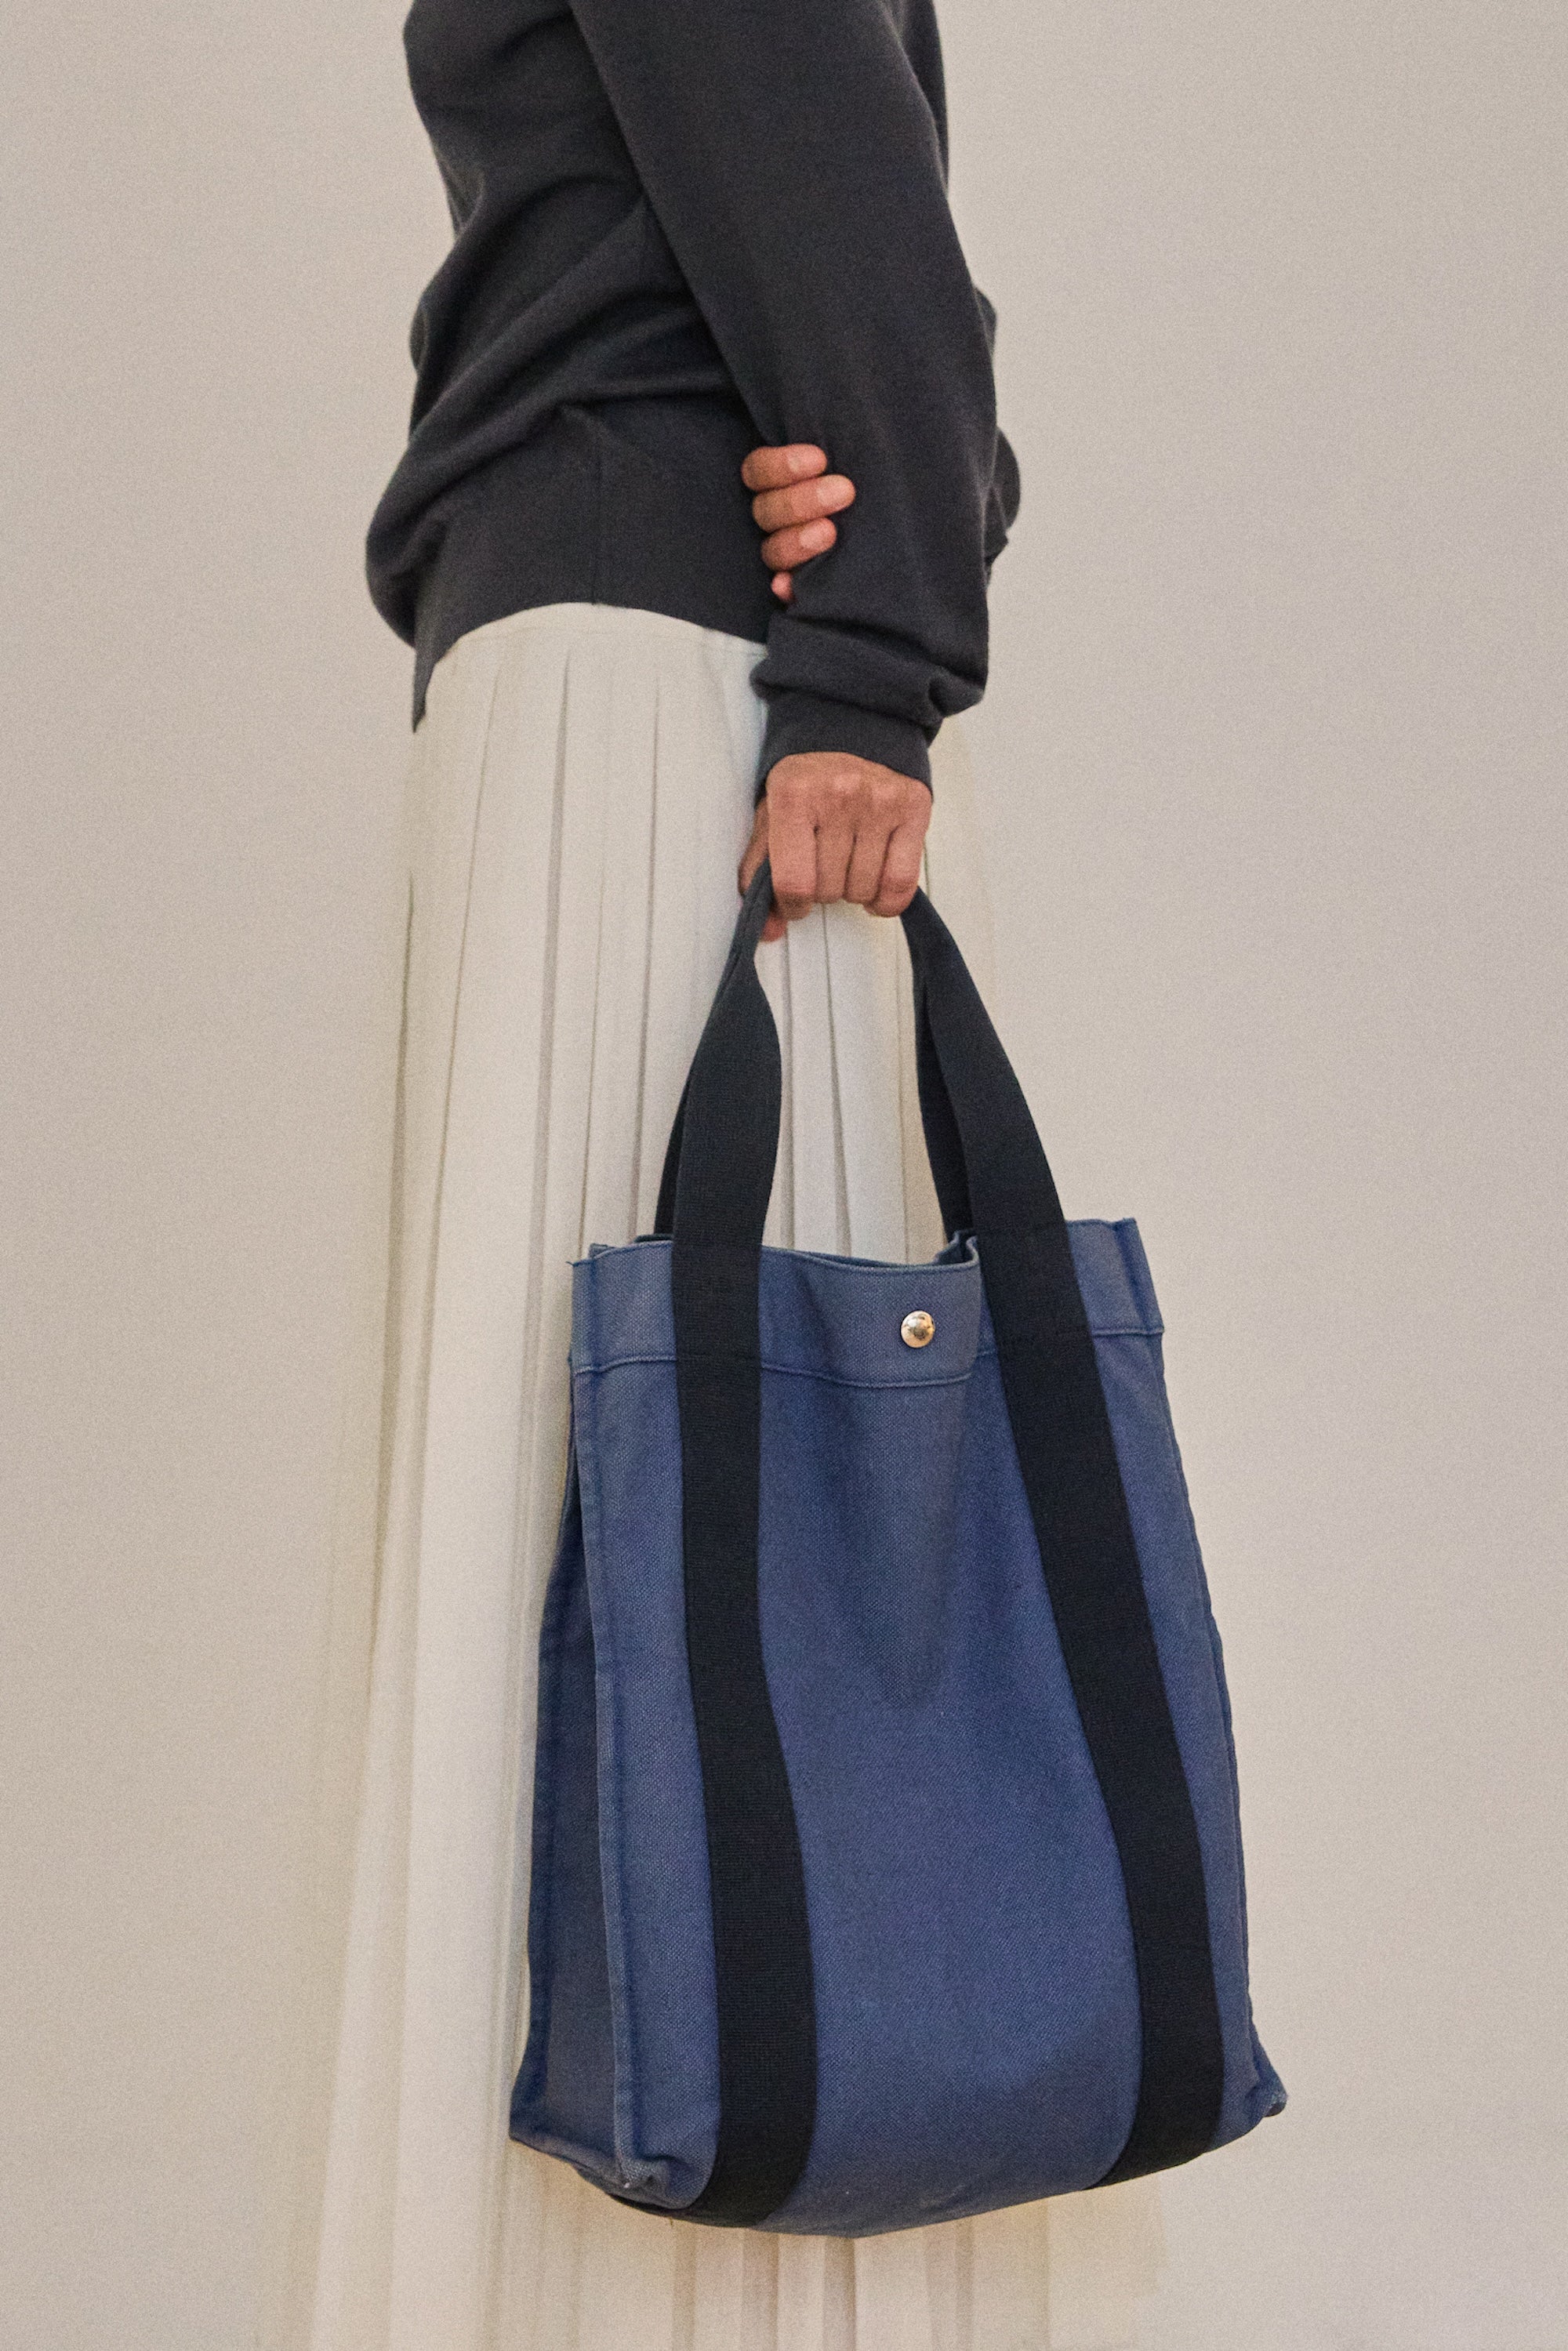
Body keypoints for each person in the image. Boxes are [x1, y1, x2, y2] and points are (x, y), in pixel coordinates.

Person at [304, 2, 1065, 2346]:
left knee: (607, 1535)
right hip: (664, 695)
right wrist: (886, 628)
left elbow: (816, 259)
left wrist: (881, 586)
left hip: (593, 674)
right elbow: (852, 234)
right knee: (711, 1534)